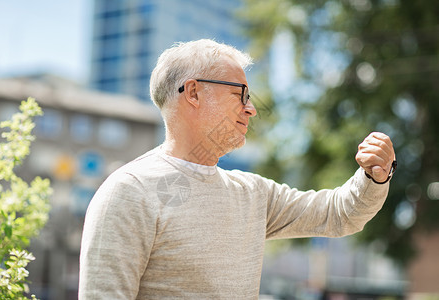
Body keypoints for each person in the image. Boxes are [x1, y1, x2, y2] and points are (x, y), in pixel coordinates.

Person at [79, 39, 396, 299]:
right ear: (193, 92)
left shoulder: (254, 194)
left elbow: (339, 214)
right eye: (239, 94)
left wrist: (375, 175)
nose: (251, 107)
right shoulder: (130, 191)